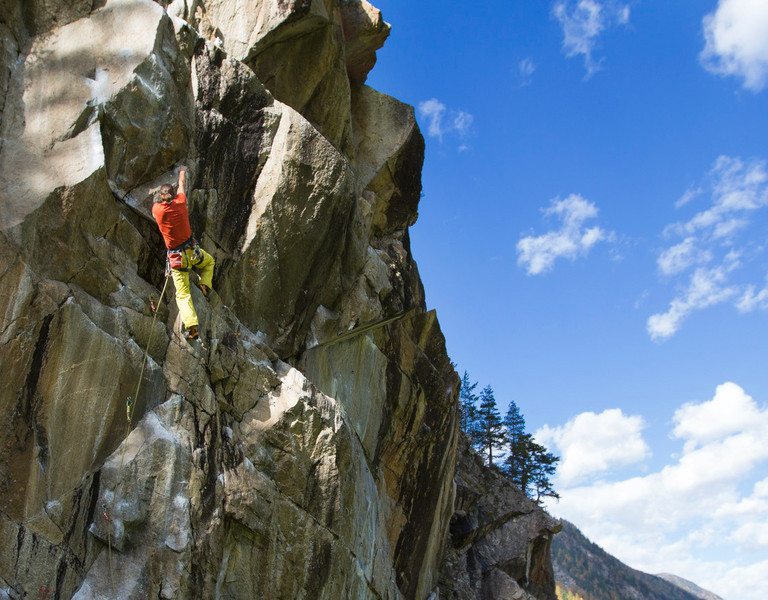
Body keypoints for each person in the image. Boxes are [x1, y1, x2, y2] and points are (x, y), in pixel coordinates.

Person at [152, 166, 215, 340]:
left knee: (183, 294)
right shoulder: (181, 202)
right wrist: (182, 172)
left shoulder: (158, 211)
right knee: (209, 262)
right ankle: (204, 285)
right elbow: (182, 185)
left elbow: (157, 202)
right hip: (192, 252)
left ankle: (192, 327)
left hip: (177, 259)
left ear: (161, 197)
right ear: (173, 195)